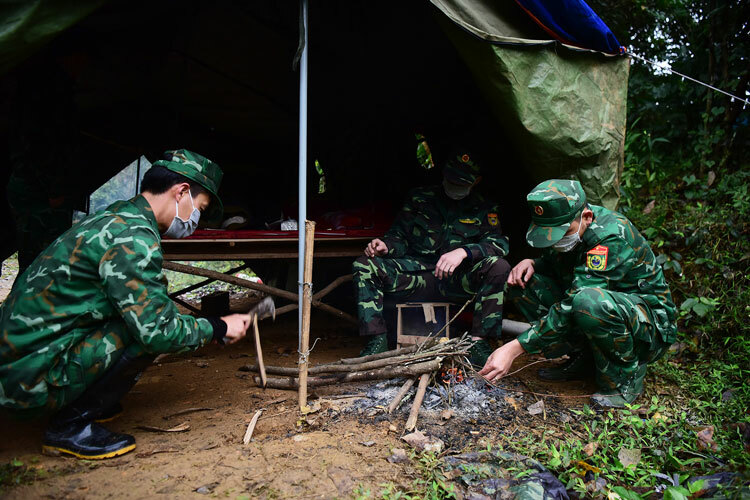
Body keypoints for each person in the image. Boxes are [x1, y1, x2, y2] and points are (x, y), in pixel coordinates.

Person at [0, 149, 252, 459]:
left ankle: (89, 397)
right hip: (26, 383)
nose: (195, 220)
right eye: (199, 208)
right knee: (144, 331)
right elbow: (159, 330)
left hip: (19, 361)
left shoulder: (118, 216)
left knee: (141, 318)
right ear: (181, 191)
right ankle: (69, 425)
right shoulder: (133, 237)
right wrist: (218, 326)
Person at [479, 179, 676, 407]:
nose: (558, 240)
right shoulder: (571, 230)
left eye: (564, 231)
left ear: (587, 217)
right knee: (523, 282)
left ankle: (625, 380)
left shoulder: (610, 237)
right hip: (602, 310)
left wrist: (516, 347)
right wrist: (532, 262)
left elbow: (575, 300)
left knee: (588, 301)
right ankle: (585, 358)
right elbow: (564, 266)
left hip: (648, 327)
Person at [353, 151, 511, 367]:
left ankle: (478, 343)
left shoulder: (485, 207)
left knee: (499, 266)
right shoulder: (420, 198)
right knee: (364, 265)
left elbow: (498, 244)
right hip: (416, 276)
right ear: (443, 175)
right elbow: (399, 237)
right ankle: (377, 339)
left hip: (458, 281)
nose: (455, 186)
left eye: (462, 183)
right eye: (452, 180)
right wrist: (385, 245)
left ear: (476, 182)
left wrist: (464, 252)